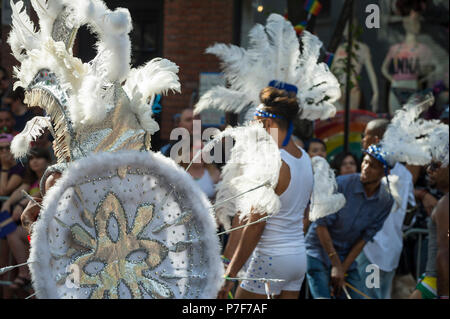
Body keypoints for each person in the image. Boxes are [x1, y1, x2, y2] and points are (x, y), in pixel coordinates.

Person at [218, 86, 314, 299]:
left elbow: (256, 224)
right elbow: (306, 213)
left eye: (255, 122)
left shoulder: (270, 162)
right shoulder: (305, 158)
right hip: (298, 258)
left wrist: (230, 273)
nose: (252, 128)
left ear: (268, 123)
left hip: (270, 259)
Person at [305, 145, 393, 299]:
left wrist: (342, 268)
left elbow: (364, 238)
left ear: (385, 172)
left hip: (346, 258)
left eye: (372, 166)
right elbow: (321, 225)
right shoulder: (342, 183)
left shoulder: (386, 201)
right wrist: (336, 265)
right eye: (365, 162)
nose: (365, 168)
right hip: (317, 251)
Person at [356, 119, 416, 299]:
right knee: (380, 295)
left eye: (364, 136)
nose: (362, 140)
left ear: (375, 139)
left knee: (367, 295)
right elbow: (410, 210)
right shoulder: (404, 173)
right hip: (390, 249)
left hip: (372, 251)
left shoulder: (374, 172)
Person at [1, 148, 51, 291]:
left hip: (47, 230)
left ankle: (24, 274)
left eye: (39, 158)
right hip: (32, 228)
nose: (34, 161)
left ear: (47, 161)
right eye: (31, 158)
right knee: (10, 231)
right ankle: (24, 273)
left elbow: (43, 195)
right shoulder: (31, 180)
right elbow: (19, 192)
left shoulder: (51, 178)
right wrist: (8, 203)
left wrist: (22, 205)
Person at [410, 160, 449, 299]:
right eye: (429, 165)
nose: (428, 170)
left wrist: (444, 296)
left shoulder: (445, 204)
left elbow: (444, 253)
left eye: (436, 166)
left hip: (435, 284)